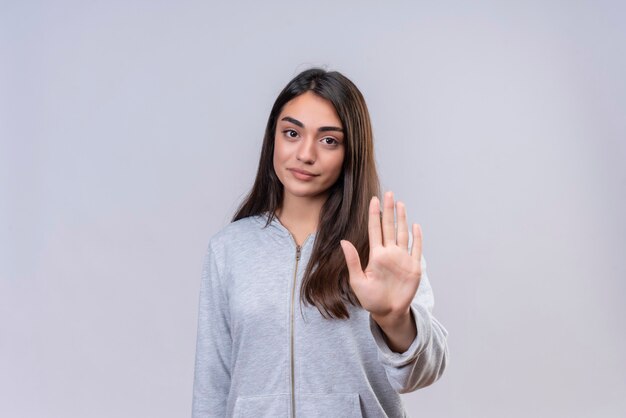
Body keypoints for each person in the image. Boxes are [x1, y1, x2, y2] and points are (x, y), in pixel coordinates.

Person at [192, 68, 448, 417]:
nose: (305, 154)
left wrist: (394, 318)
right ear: (274, 138)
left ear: (350, 151)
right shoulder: (229, 249)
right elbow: (212, 386)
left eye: (329, 140)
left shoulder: (382, 248)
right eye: (292, 133)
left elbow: (421, 373)